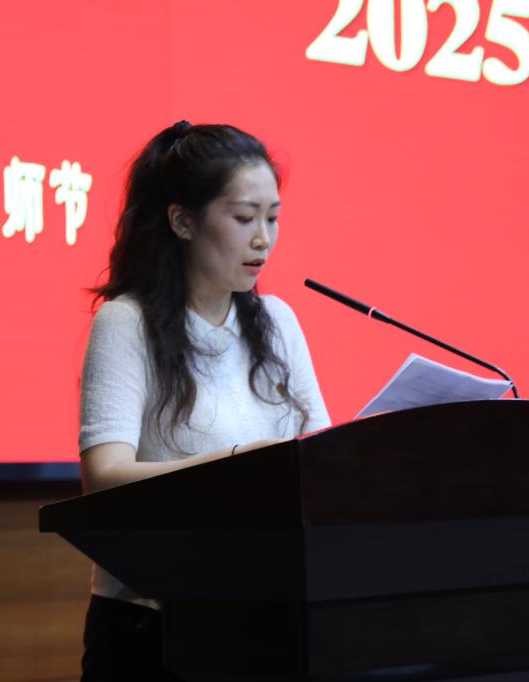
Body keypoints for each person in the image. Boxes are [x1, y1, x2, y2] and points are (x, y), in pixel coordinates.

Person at [77, 121, 331, 681]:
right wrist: (244, 465)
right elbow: (104, 478)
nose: (263, 239)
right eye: (244, 218)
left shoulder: (279, 322)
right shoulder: (127, 322)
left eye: (272, 218)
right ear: (182, 221)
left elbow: (320, 457)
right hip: (153, 626)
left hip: (269, 615)